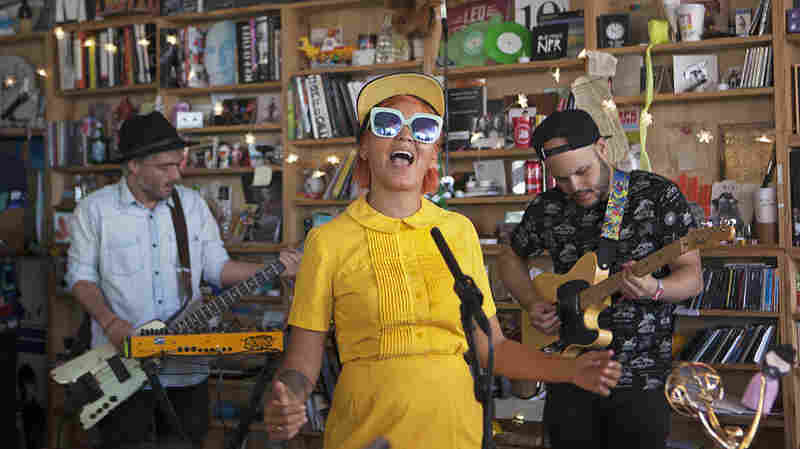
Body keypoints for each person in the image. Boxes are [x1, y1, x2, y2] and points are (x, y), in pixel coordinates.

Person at [263, 73, 622, 449]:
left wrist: (569, 370)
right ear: (365, 146)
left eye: (422, 128)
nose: (405, 136)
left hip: (456, 432)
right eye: (386, 123)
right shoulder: (328, 240)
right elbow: (303, 360)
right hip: (368, 435)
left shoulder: (458, 232)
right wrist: (287, 396)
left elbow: (490, 347)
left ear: (434, 153)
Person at [66, 111, 302, 449]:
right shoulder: (94, 210)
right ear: (134, 165)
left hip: (185, 372)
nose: (177, 174)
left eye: (178, 164)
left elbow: (218, 270)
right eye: (165, 166)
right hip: (118, 370)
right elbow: (81, 279)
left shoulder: (191, 206)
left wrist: (275, 268)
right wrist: (112, 322)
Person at [496, 109, 704, 449]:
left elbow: (693, 278)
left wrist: (656, 288)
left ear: (602, 149)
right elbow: (509, 256)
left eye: (582, 171)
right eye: (562, 179)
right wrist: (532, 302)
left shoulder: (656, 195)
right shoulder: (547, 207)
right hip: (568, 372)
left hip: (641, 378)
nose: (575, 186)